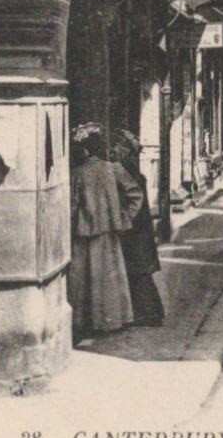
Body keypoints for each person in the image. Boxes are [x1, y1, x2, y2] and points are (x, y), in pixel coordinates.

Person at [68, 123, 144, 341]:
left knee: (84, 280)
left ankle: (87, 321)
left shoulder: (77, 174)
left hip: (85, 233)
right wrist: (124, 219)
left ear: (85, 150)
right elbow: (135, 194)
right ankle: (112, 319)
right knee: (109, 278)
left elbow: (72, 206)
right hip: (110, 232)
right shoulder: (114, 169)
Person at [110, 129, 165, 328]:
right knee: (139, 273)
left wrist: (125, 221)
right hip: (141, 228)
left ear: (126, 150)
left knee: (138, 273)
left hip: (135, 229)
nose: (115, 151)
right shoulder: (131, 168)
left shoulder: (121, 169)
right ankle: (148, 313)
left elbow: (135, 199)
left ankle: (149, 314)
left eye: (119, 148)